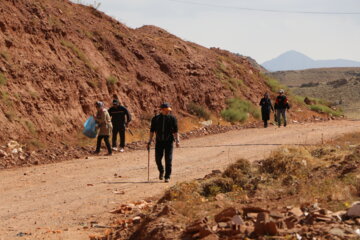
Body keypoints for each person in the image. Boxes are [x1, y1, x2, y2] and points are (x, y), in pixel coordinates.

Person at [147, 103, 180, 183]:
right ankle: (161, 170)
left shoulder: (172, 118)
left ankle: (167, 176)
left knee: (168, 160)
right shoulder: (155, 119)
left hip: (169, 141)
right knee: (158, 159)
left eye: (168, 110)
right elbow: (152, 131)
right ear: (161, 110)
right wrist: (149, 141)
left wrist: (177, 141)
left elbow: (176, 131)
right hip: (159, 141)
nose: (167, 112)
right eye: (166, 110)